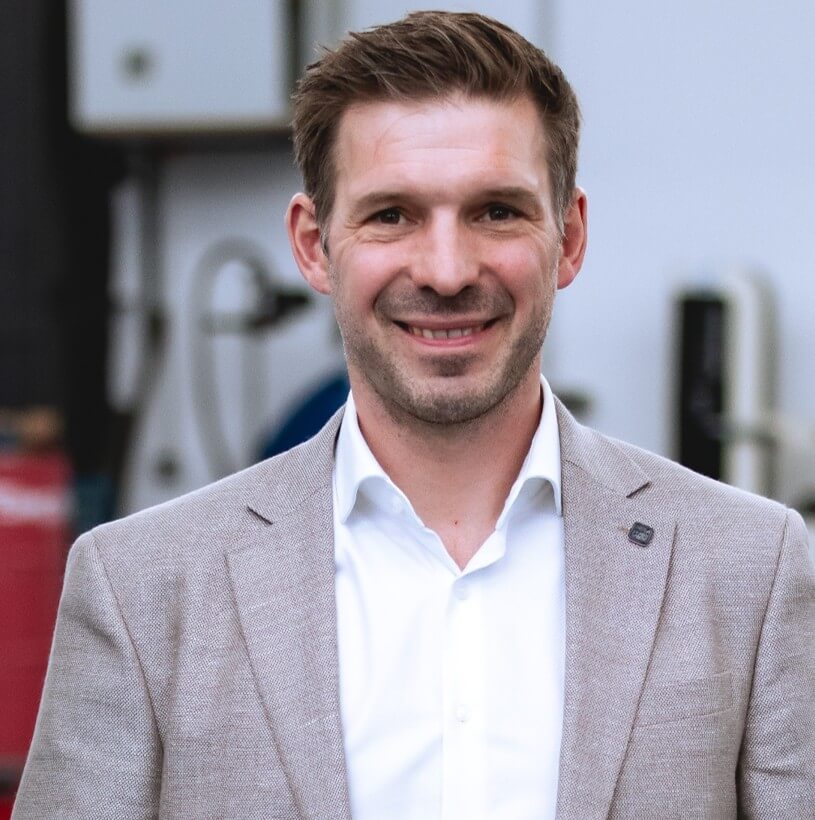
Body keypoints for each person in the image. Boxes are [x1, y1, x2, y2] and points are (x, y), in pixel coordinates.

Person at [13, 11, 814, 820]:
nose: (445, 271)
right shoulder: (141, 587)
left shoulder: (748, 567)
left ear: (568, 237)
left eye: (495, 211)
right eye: (391, 214)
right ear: (314, 245)